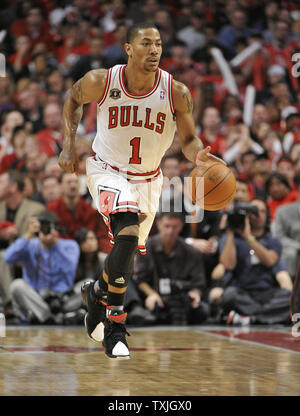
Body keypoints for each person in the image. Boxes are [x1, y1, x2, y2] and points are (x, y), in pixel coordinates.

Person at [58, 22, 222, 359]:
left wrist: (198, 156)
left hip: (149, 179)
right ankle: (115, 326)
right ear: (128, 48)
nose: (154, 50)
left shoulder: (177, 91)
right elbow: (73, 99)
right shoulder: (102, 81)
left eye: (159, 44)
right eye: (146, 43)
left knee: (127, 251)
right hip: (107, 170)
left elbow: (189, 140)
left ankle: (97, 293)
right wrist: (67, 144)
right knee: (128, 233)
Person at [218, 198, 292, 325]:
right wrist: (230, 232)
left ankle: (250, 318)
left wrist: (249, 237)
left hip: (268, 293)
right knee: (228, 296)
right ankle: (265, 317)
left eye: (262, 211)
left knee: (291, 298)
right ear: (246, 215)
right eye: (254, 211)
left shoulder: (272, 241)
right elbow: (228, 265)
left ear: (267, 215)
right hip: (242, 291)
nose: (258, 215)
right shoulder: (231, 238)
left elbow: (270, 260)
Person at [134, 211, 209, 325]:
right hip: (154, 298)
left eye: (175, 227)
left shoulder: (191, 252)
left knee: (203, 310)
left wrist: (195, 294)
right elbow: (139, 279)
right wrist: (151, 293)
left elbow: (198, 283)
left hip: (181, 300)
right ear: (158, 224)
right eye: (167, 226)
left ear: (181, 226)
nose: (170, 231)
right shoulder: (146, 247)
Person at [4, 211, 80, 324]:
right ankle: (50, 317)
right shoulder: (30, 244)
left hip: (63, 299)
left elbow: (69, 268)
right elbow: (8, 257)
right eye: (43, 227)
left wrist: (55, 244)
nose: (46, 230)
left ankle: (44, 315)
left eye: (49, 227)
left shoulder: (70, 245)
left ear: (56, 228)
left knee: (88, 284)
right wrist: (28, 234)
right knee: (17, 285)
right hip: (36, 297)